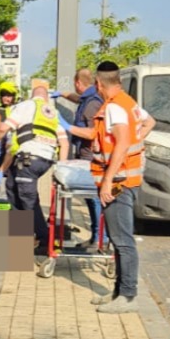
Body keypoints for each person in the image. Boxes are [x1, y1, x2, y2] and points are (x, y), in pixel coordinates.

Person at [91, 64, 155, 313]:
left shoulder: (114, 107)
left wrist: (107, 180)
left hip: (118, 182)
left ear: (99, 83)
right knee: (119, 240)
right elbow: (150, 122)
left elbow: (122, 142)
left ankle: (128, 297)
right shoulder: (128, 103)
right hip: (128, 179)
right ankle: (119, 291)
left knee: (122, 240)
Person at [2, 76, 69, 266]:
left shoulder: (26, 106)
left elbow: (6, 127)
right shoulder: (53, 113)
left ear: (33, 96)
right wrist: (61, 166)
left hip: (29, 159)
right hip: (43, 161)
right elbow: (64, 142)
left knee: (28, 199)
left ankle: (44, 239)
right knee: (12, 187)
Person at [65, 67, 104, 251]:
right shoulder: (87, 98)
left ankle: (99, 239)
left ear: (79, 83)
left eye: (75, 85)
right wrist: (61, 94)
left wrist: (67, 127)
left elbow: (92, 133)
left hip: (92, 158)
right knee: (89, 198)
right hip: (85, 156)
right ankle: (95, 237)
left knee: (95, 198)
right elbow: (76, 98)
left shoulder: (92, 103)